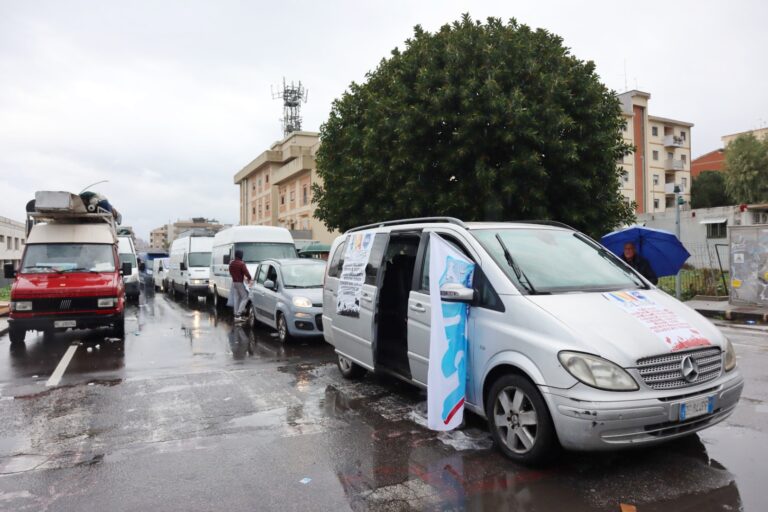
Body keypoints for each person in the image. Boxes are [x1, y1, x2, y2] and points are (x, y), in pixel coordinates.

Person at [228, 249, 252, 323]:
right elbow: (246, 272)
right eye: (242, 254)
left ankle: (236, 315)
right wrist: (249, 278)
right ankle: (238, 314)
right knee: (245, 297)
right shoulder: (241, 263)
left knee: (237, 298)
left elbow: (230, 272)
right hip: (239, 282)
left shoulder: (231, 263)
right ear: (240, 255)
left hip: (234, 282)